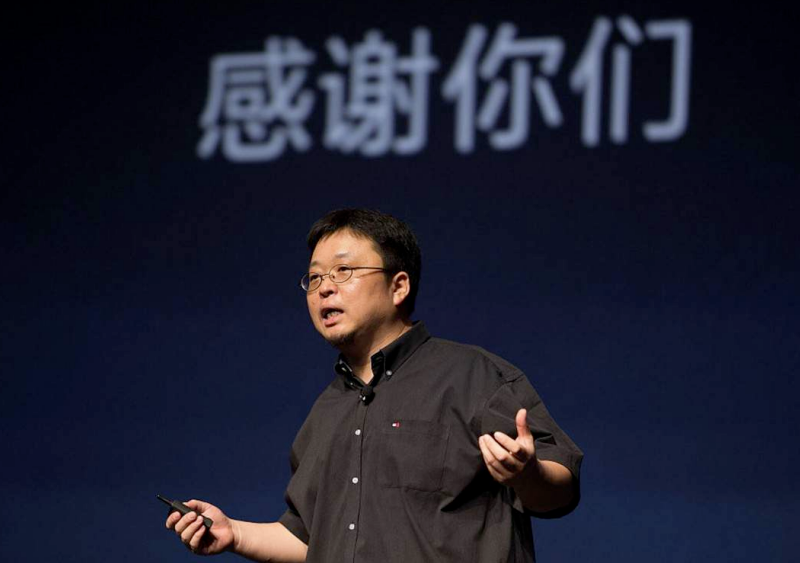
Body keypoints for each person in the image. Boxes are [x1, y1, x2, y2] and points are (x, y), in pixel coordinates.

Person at [165, 209, 583, 562]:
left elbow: (561, 488)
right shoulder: (326, 411)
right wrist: (234, 533)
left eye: (343, 271)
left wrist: (527, 474)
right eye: (314, 278)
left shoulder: (473, 376)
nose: (325, 287)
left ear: (399, 286)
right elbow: (312, 539)